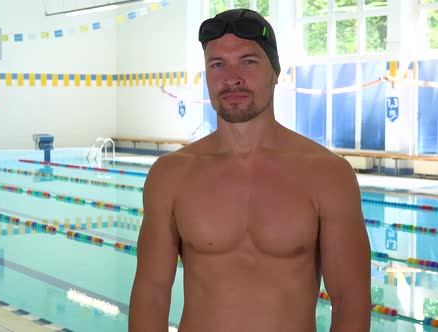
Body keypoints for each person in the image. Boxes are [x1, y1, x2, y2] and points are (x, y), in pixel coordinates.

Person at [128, 8, 371, 332]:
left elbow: (350, 300)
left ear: (275, 71)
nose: (232, 78)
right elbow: (151, 294)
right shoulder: (171, 175)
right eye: (218, 64)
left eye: (248, 61)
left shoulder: (327, 175)